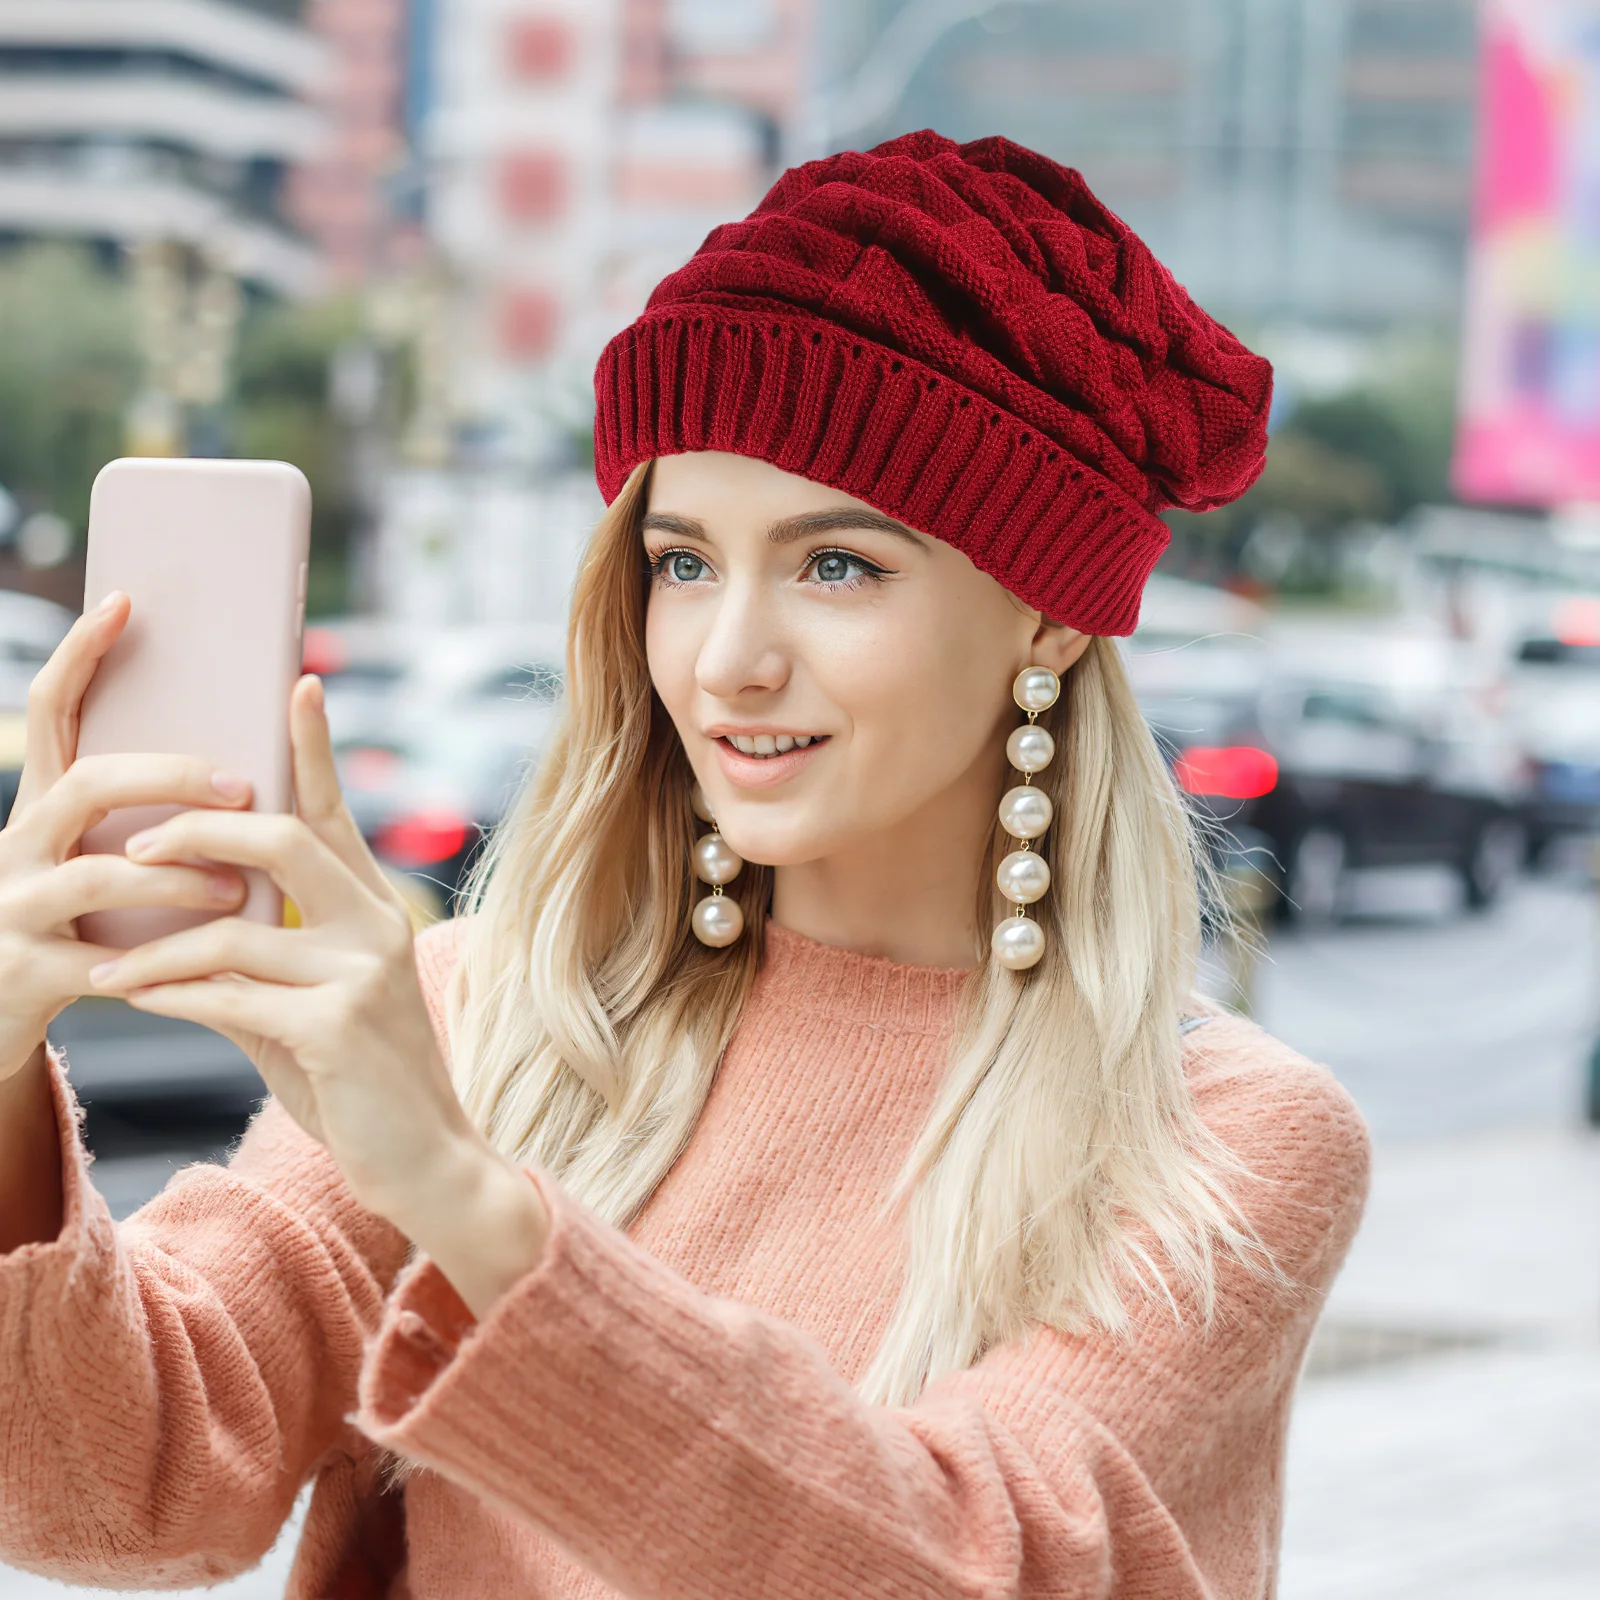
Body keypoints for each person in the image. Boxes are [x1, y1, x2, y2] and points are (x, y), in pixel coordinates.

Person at [0, 132, 1367, 1598]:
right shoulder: (476, 1016)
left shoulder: (1227, 1141)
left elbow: (962, 1562)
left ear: (1047, 614)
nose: (729, 661)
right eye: (684, 561)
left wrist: (466, 1201)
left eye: (838, 565)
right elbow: (130, 1494)